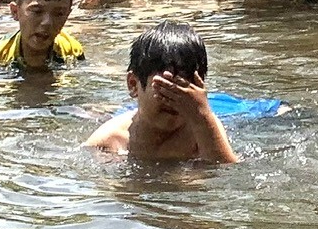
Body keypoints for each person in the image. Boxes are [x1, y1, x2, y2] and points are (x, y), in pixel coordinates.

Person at [85, 21, 239, 162]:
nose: (172, 100)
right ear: (133, 85)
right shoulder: (110, 141)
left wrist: (201, 116)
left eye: (183, 90)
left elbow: (228, 176)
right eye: (163, 87)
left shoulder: (203, 128)